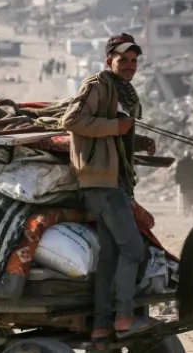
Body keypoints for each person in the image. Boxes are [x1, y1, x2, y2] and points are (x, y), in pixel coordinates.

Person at [60, 33, 160, 346]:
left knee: (111, 255)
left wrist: (139, 141)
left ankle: (102, 326)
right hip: (101, 181)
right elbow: (72, 120)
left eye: (133, 61)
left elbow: (116, 135)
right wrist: (116, 128)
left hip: (114, 180)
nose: (130, 66)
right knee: (134, 249)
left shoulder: (124, 92)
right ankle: (124, 317)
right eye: (123, 60)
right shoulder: (97, 85)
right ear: (109, 61)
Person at [174, 151, 193, 216]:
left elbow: (177, 174)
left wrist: (177, 181)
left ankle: (187, 210)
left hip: (184, 184)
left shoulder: (180, 163)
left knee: (185, 197)